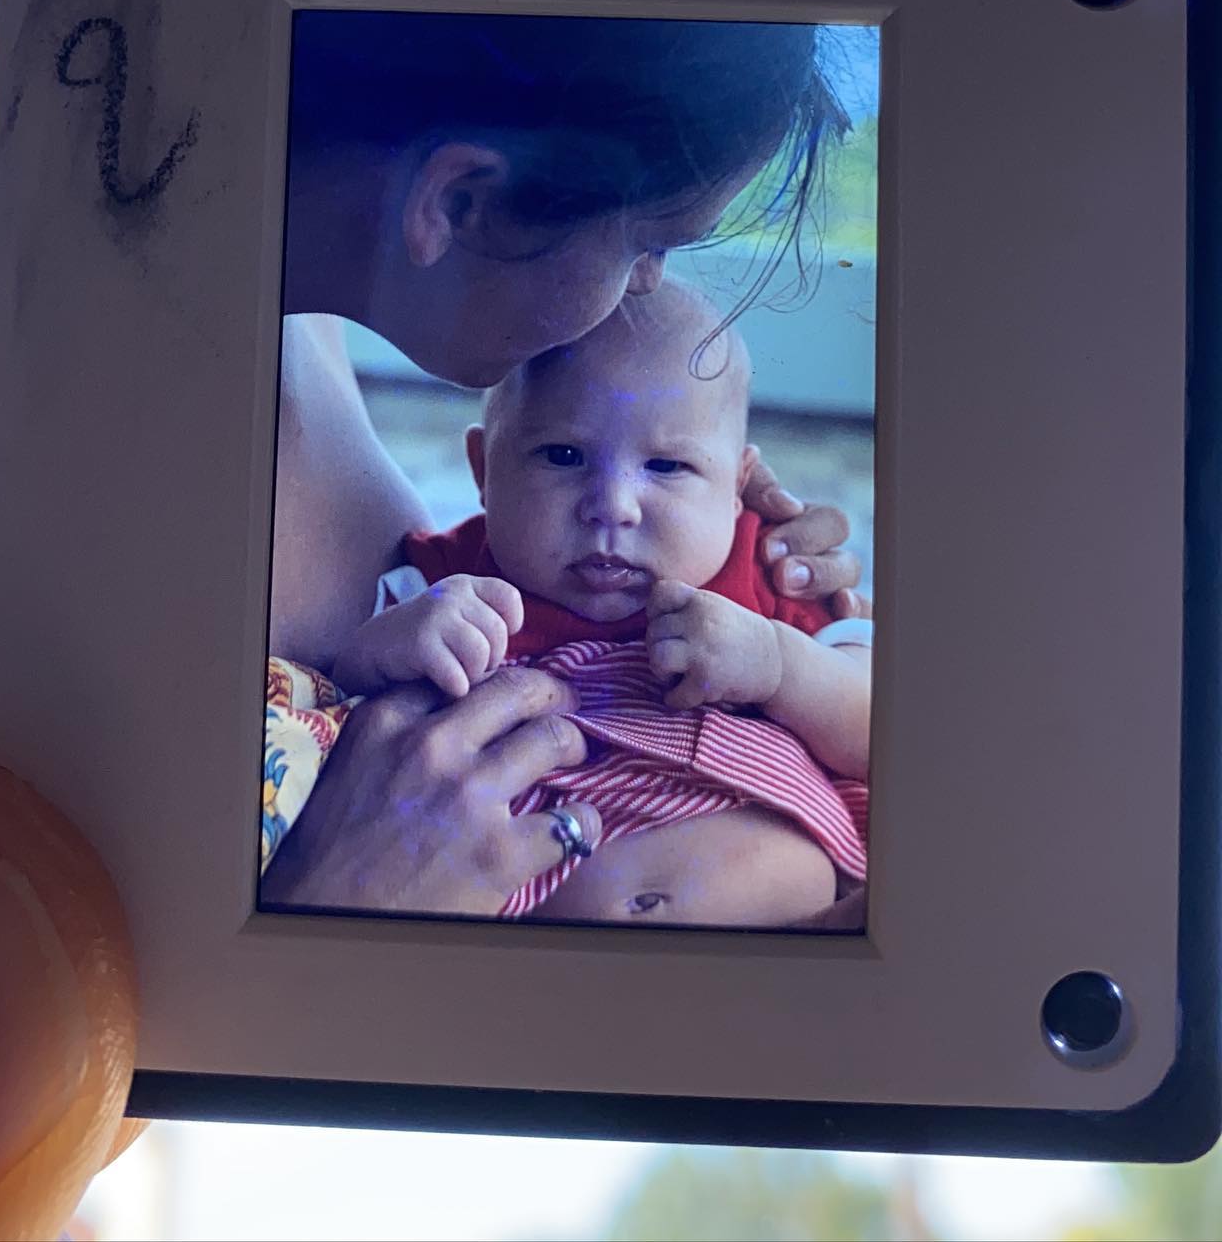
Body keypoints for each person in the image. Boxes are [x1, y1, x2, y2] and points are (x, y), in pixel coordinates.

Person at [0, 12, 865, 1233]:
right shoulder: (134, 446)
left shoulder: (289, 350)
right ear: (457, 201)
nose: (653, 295)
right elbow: (50, 1013)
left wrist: (738, 562)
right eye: (655, 243)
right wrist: (332, 923)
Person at [328, 282, 870, 927]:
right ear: (483, 470)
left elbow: (878, 739)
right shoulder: (447, 579)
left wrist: (780, 665)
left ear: (738, 488)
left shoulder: (772, 575)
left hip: (770, 944)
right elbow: (342, 698)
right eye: (563, 455)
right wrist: (388, 646)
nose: (612, 505)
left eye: (667, 466)